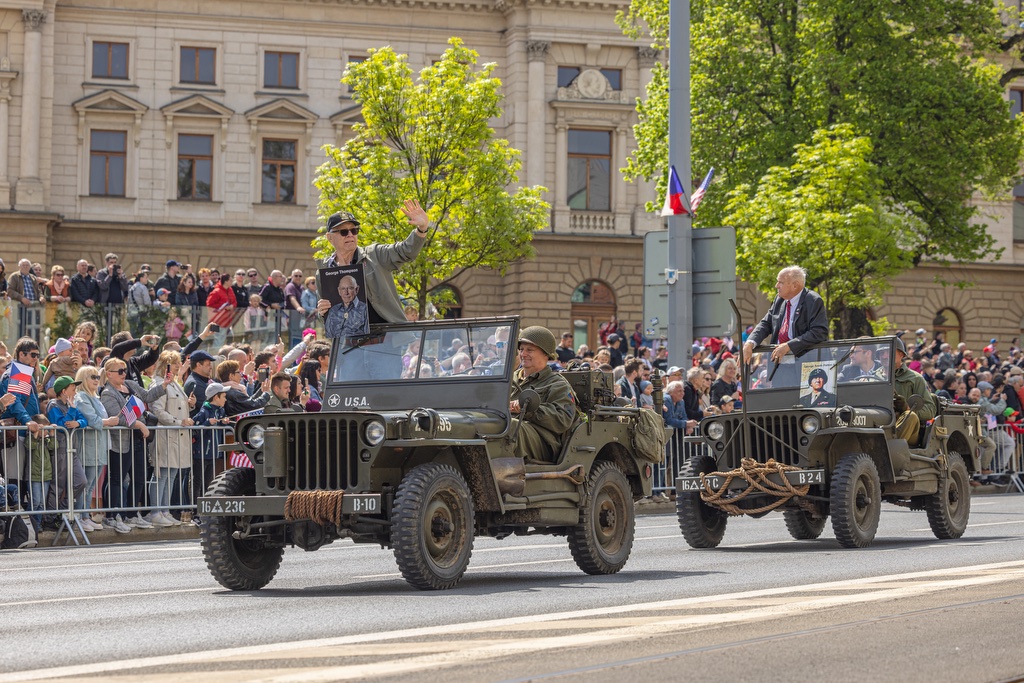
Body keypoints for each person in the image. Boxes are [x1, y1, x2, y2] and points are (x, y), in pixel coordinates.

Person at [315, 200, 430, 325]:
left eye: (354, 230)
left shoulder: (375, 254)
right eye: (343, 232)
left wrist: (422, 229)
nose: (350, 235)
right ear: (330, 237)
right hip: (350, 336)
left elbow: (406, 251)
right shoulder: (325, 271)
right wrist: (322, 312)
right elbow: (324, 318)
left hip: (387, 334)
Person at [99, 356, 168, 530]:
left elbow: (148, 396)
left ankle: (131, 514)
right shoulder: (108, 393)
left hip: (137, 440)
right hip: (121, 441)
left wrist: (165, 385)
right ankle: (112, 516)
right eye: (120, 371)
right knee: (117, 479)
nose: (124, 374)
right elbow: (117, 418)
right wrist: (139, 424)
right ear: (109, 374)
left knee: (139, 478)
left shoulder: (129, 384)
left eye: (125, 370)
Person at [508, 326, 577, 462]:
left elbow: (562, 419)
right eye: (521, 349)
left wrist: (528, 409)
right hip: (513, 432)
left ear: (546, 354)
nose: (523, 354)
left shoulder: (557, 384)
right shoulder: (510, 379)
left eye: (530, 350)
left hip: (542, 440)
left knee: (509, 426)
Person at [742, 266, 829, 364]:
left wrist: (789, 346)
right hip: (779, 363)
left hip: (804, 363)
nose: (776, 286)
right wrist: (750, 342)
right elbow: (766, 324)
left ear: (795, 285)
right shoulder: (779, 300)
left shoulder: (813, 300)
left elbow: (819, 332)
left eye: (781, 282)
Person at [72, 365, 120, 532]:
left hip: (99, 446)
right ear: (83, 379)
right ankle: (80, 516)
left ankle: (86, 516)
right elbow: (91, 419)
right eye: (92, 377)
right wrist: (108, 422)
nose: (96, 380)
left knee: (92, 485)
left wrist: (108, 422)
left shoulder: (95, 397)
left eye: (97, 377)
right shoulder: (81, 397)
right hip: (88, 446)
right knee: (85, 485)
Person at [148, 351, 193, 527]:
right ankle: (155, 512)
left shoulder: (175, 383)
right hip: (165, 434)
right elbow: (158, 410)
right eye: (174, 363)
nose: (177, 366)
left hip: (177, 435)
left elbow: (177, 406)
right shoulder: (159, 384)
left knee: (172, 474)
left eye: (178, 363)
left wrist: (190, 405)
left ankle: (165, 511)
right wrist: (178, 422)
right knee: (161, 474)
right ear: (165, 365)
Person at [893, 337, 936, 447]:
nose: (884, 356)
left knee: (910, 416)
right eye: (881, 353)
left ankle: (891, 448)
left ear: (901, 355)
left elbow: (930, 409)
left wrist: (907, 408)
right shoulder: (875, 377)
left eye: (890, 352)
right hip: (879, 423)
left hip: (908, 429)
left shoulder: (915, 378)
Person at [325, 275, 369, 339]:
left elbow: (367, 338)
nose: (346, 293)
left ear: (356, 289)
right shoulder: (333, 310)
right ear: (339, 291)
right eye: (343, 289)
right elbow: (329, 336)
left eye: (350, 288)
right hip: (337, 345)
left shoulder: (365, 309)